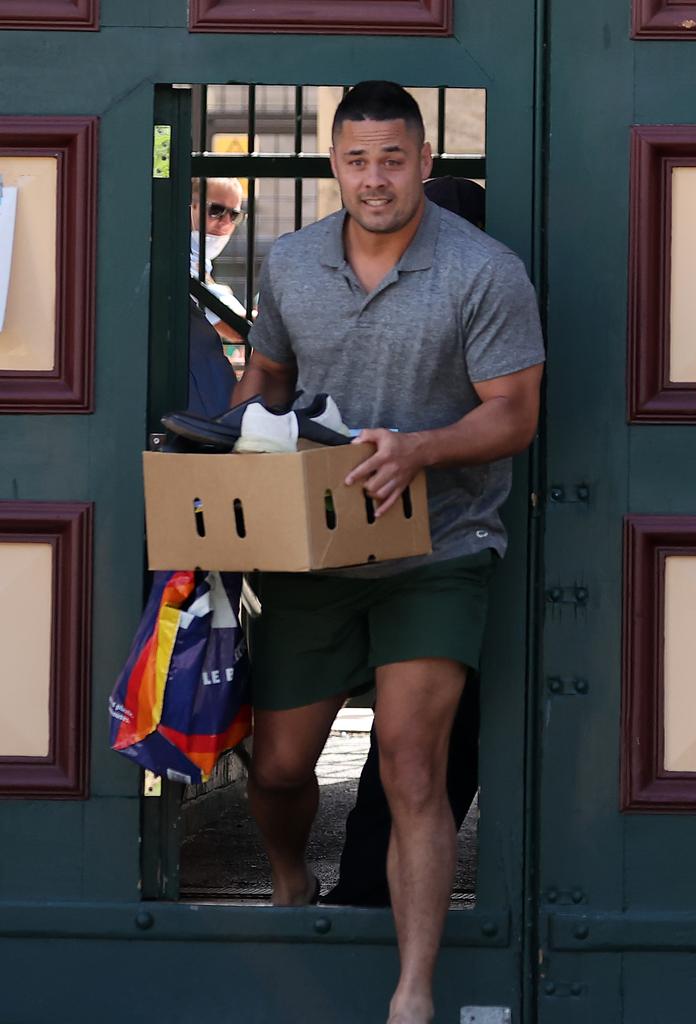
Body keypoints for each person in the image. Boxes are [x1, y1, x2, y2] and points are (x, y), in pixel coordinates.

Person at [233, 82, 544, 1024]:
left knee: (414, 766)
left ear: (424, 164)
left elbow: (514, 416)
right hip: (315, 554)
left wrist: (418, 450)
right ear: (335, 164)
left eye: (394, 159)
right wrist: (225, 441)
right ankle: (292, 883)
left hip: (441, 548)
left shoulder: (484, 272)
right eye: (358, 160)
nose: (376, 179)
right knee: (282, 767)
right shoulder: (287, 263)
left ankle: (413, 991)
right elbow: (268, 378)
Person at [323, 176, 487, 910]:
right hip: (453, 550)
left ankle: (362, 892)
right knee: (427, 750)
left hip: (410, 548)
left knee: (405, 752)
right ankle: (365, 891)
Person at [187, 177, 246, 416]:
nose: (225, 222)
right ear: (189, 206)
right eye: (216, 210)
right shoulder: (175, 255)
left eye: (234, 215)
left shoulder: (202, 263)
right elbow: (234, 326)